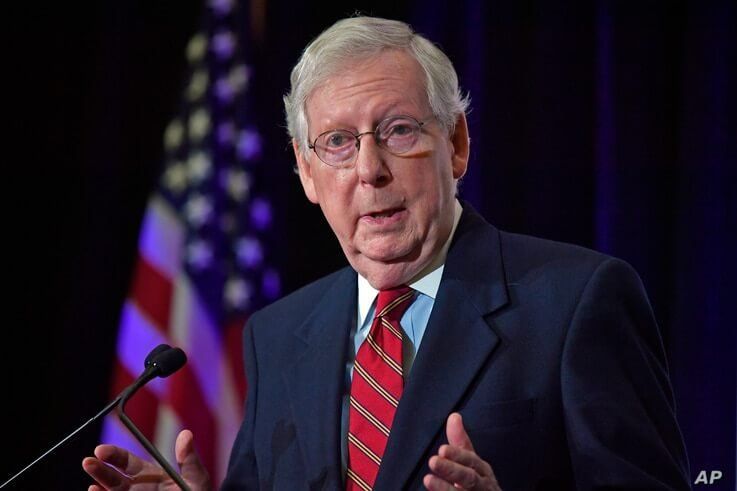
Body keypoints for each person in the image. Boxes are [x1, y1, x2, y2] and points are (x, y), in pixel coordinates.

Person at [83, 16, 691, 490]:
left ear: (455, 144)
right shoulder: (278, 334)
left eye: (399, 130)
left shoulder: (576, 301)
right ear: (307, 173)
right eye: (339, 143)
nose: (370, 171)